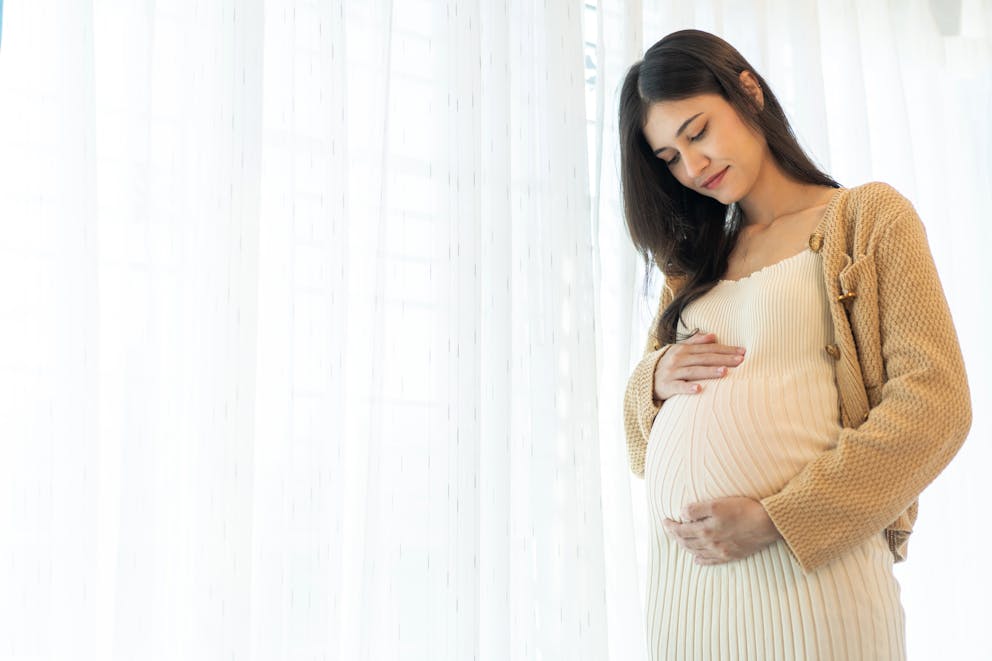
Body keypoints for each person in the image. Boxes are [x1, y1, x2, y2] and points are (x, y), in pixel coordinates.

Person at [618, 29, 972, 661]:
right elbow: (641, 447)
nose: (692, 167)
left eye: (697, 131)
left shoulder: (868, 219)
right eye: (669, 157)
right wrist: (653, 378)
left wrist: (782, 518)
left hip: (813, 579)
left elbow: (936, 407)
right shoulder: (691, 266)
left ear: (747, 91)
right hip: (688, 599)